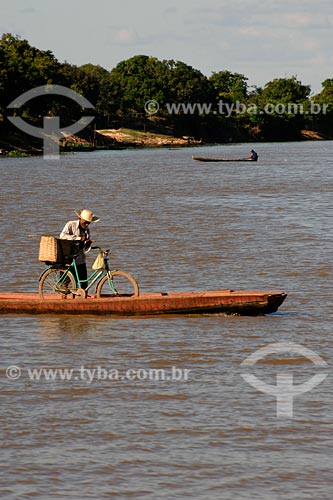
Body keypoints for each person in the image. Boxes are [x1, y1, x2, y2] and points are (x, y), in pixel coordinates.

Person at [60, 209, 100, 288]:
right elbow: (62, 236)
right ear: (79, 219)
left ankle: (83, 299)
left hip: (80, 259)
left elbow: (84, 249)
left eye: (88, 223)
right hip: (68, 257)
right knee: (65, 283)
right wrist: (78, 238)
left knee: (84, 284)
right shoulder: (71, 224)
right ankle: (63, 298)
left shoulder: (87, 230)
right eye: (85, 222)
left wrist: (88, 244)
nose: (87, 224)